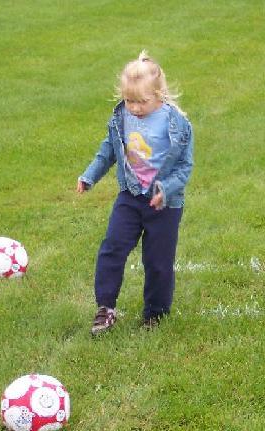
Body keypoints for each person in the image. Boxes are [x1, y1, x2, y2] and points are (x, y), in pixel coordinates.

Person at [77, 51, 194, 335]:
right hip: (130, 196)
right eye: (129, 100)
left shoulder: (176, 124)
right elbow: (108, 151)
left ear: (159, 94)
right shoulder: (121, 117)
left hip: (164, 204)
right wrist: (89, 176)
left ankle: (155, 314)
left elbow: (184, 167)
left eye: (142, 101)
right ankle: (106, 308)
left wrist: (165, 190)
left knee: (157, 262)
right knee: (112, 249)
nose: (135, 108)